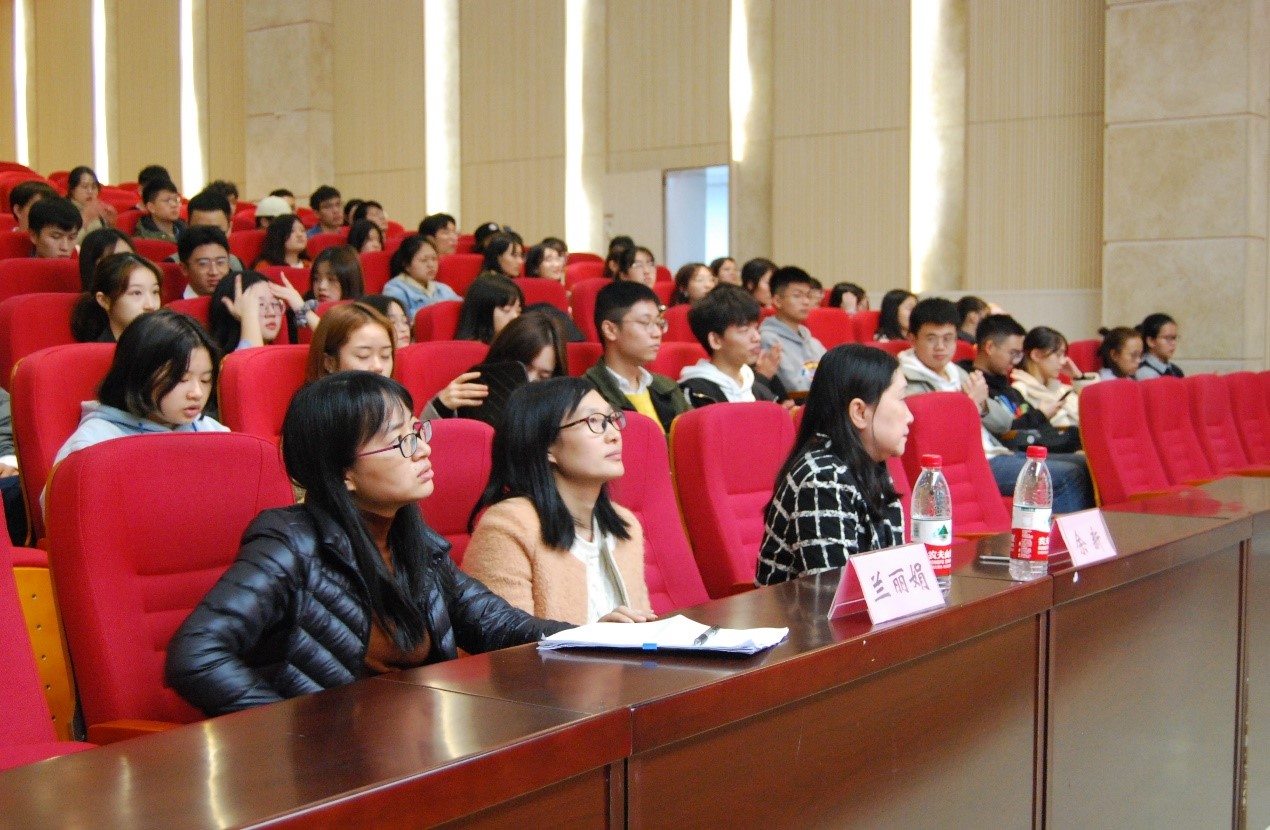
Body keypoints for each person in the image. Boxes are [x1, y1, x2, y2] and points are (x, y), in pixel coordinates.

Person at [164, 371, 571, 717]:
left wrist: (589, 637)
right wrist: (288, 732)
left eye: (417, 431)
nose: (424, 449)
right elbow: (196, 654)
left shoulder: (413, 541)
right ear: (344, 473)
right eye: (401, 441)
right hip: (331, 765)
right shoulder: (289, 542)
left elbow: (497, 625)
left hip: (416, 743)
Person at [463, 378, 655, 625]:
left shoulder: (625, 526)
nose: (614, 435)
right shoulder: (508, 527)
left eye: (611, 419)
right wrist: (593, 639)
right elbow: (507, 644)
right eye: (593, 421)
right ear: (547, 446)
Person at [901, 299, 1093, 513]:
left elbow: (1004, 423)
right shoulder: (905, 381)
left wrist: (983, 404)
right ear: (912, 339)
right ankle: (1046, 534)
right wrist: (970, 405)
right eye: (931, 339)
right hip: (964, 464)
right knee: (1068, 475)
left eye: (948, 338)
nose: (940, 347)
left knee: (1086, 464)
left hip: (996, 452)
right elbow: (930, 437)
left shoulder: (958, 373)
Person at [755, 344, 910, 586]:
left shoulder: (871, 466)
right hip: (800, 612)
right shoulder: (822, 478)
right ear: (859, 412)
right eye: (901, 399)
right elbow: (834, 594)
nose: (910, 416)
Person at [48, 309, 227, 506]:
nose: (197, 393)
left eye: (205, 380)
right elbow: (66, 514)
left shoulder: (215, 433)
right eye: (181, 379)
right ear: (140, 375)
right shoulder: (92, 446)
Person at [584, 280, 689, 433]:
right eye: (645, 323)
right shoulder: (588, 394)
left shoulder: (667, 387)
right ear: (610, 330)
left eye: (659, 323)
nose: (657, 333)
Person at [679, 284, 778, 406]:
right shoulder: (695, 394)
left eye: (755, 328)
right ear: (716, 340)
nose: (757, 337)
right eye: (744, 330)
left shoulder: (757, 389)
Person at [758, 266, 826, 394]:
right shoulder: (769, 339)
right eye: (797, 295)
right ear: (777, 301)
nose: (806, 302)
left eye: (808, 295)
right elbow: (792, 386)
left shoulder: (813, 343)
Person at [1012, 325, 1096, 429]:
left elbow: (1096, 410)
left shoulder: (1062, 389)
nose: (1063, 362)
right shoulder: (1019, 391)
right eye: (1058, 355)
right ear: (1036, 355)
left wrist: (1079, 378)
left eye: (1064, 356)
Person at [70, 252, 162, 343]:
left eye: (155, 292)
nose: (151, 305)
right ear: (104, 300)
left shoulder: (163, 342)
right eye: (136, 293)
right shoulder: (96, 350)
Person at [274, 245, 365, 332]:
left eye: (331, 279)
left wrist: (304, 310)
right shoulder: (295, 314)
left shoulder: (364, 314)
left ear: (349, 282)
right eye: (316, 279)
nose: (322, 286)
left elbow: (334, 340)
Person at [305, 302, 397, 381]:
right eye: (363, 355)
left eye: (385, 355)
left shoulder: (398, 396)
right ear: (329, 363)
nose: (378, 367)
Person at [383, 235, 460, 322]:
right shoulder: (395, 290)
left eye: (434, 259)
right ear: (406, 265)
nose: (431, 265)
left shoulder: (443, 289)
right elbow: (401, 322)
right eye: (424, 260)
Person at [208, 271, 289, 353]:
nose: (271, 313)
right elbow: (253, 359)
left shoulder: (278, 353)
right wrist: (248, 317)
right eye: (260, 304)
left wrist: (297, 305)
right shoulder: (230, 359)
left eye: (275, 303)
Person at [454, 274, 524, 344]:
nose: (515, 317)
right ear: (483, 313)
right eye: (506, 310)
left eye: (518, 311)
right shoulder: (469, 348)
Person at [177, 225, 232, 298]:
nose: (214, 272)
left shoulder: (239, 301)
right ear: (184, 269)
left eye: (220, 262)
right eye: (203, 264)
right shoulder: (176, 305)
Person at [65, 166, 116, 242]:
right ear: (72, 189)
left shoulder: (98, 210)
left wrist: (110, 225)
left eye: (94, 187)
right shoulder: (64, 210)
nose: (90, 191)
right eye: (85, 187)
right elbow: (67, 243)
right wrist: (85, 218)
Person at [132, 179, 186, 243]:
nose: (174, 205)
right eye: (167, 201)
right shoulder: (143, 239)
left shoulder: (185, 229)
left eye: (176, 200)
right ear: (151, 207)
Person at [1135, 313, 1184, 379]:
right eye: (1167, 338)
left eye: (1174, 338)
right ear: (1151, 341)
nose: (1173, 343)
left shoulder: (1175, 371)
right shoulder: (1145, 372)